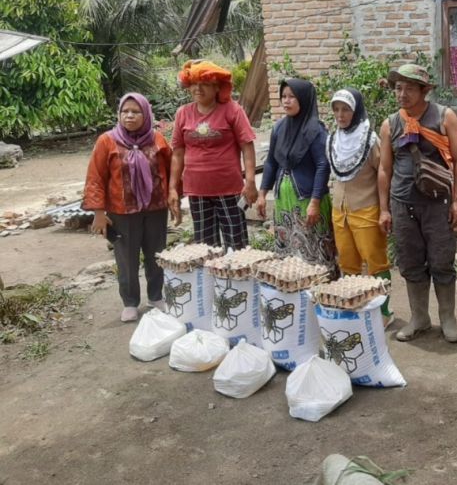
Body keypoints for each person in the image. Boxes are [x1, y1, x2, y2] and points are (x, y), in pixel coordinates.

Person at [378, 63, 457, 343]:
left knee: (442, 261)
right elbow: (384, 169)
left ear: (424, 90)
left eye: (409, 88)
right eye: (398, 88)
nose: (402, 93)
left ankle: (448, 319)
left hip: (437, 203)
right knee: (410, 262)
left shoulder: (444, 116)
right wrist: (384, 208)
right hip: (403, 204)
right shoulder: (390, 123)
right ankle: (419, 318)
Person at [83, 93, 175, 322]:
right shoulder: (107, 141)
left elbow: (172, 171)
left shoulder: (158, 139)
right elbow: (95, 177)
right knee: (126, 258)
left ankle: (156, 296)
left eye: (136, 111)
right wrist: (99, 213)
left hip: (155, 208)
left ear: (146, 114)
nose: (130, 116)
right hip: (121, 211)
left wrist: (174, 200)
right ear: (119, 114)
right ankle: (130, 302)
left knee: (156, 254)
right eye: (125, 111)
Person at [168, 60, 257, 250]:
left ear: (217, 87)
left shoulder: (232, 110)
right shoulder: (183, 114)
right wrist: (173, 188)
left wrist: (250, 182)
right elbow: (177, 153)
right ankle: (211, 281)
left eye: (205, 83)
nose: (198, 88)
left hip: (230, 190)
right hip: (197, 191)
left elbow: (247, 146)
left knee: (237, 245)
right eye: (194, 83)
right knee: (205, 247)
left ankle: (237, 280)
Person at [326, 88, 394, 324]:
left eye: (346, 110)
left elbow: (383, 172)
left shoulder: (369, 139)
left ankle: (384, 312)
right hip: (340, 210)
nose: (340, 115)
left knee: (375, 261)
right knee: (347, 261)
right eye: (336, 109)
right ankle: (356, 303)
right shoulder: (334, 140)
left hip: (366, 207)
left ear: (356, 112)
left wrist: (385, 208)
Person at [258, 78, 335, 268]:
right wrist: (262, 193)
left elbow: (322, 165)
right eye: (283, 96)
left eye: (292, 96)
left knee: (315, 252)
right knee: (290, 256)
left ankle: (321, 294)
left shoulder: (315, 130)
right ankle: (295, 294)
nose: (286, 101)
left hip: (307, 201)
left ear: (304, 99)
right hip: (284, 201)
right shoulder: (279, 128)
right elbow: (271, 162)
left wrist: (315, 202)